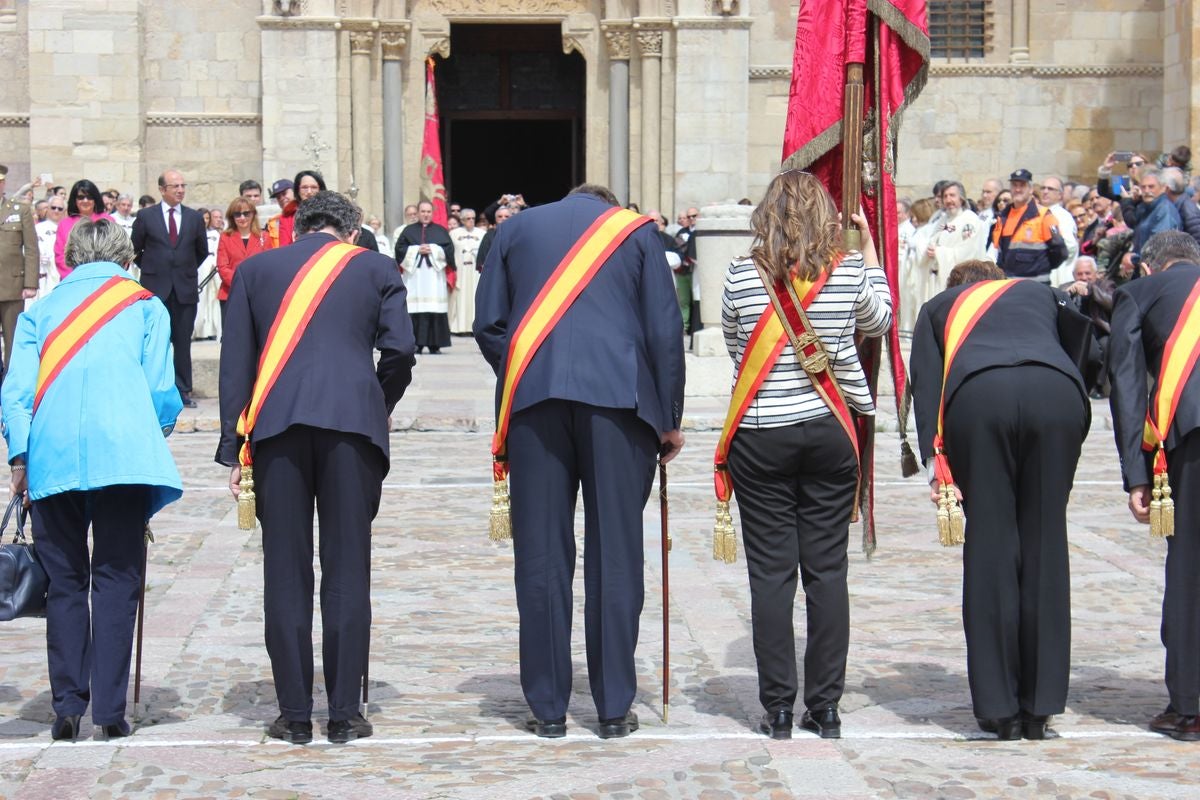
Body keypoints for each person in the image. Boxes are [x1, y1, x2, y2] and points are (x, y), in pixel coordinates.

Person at [473, 184, 685, 740]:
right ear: (608, 207)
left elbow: (490, 325)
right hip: (620, 402)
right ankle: (613, 706)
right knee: (616, 552)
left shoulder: (514, 229)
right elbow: (665, 329)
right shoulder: (636, 232)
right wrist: (669, 415)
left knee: (541, 555)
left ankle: (548, 707)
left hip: (535, 401)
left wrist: (524, 368)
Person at [217, 190, 415, 745]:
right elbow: (400, 351)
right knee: (347, 567)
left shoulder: (256, 271)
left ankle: (295, 714)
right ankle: (345, 713)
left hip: (276, 428)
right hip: (351, 427)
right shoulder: (374, 267)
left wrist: (234, 448)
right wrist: (376, 401)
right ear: (351, 232)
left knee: (285, 569)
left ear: (297, 227)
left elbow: (236, 365)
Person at [718, 170, 892, 741]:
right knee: (827, 571)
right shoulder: (848, 270)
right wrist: (868, 256)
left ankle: (778, 708)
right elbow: (880, 321)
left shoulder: (741, 274)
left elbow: (739, 350)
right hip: (827, 428)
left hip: (762, 431)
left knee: (771, 575)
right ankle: (827, 705)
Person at [1, 218, 183, 742]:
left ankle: (66, 707)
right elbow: (159, 389)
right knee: (116, 579)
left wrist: (19, 457)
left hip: (51, 454)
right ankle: (109, 709)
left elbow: (16, 393)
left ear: (70, 259)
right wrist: (155, 431)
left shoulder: (40, 312)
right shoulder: (145, 306)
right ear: (127, 259)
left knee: (64, 582)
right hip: (123, 455)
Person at [910, 258, 1089, 741]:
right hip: (1055, 393)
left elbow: (926, 386)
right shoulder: (1041, 293)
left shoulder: (939, 307)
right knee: (1045, 543)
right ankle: (1040, 705)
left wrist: (936, 465)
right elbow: (1082, 344)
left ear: (958, 289)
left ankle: (999, 708)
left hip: (979, 397)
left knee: (990, 548)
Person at [1108, 230, 1200, 741]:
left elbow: (1126, 385)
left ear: (1149, 267)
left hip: (1191, 438)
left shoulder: (1139, 293)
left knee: (1190, 567)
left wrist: (1137, 474)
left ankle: (1190, 705)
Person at [131, 170, 209, 408]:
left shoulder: (194, 218)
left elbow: (201, 251)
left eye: (183, 186)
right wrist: (155, 269)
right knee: (155, 342)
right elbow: (135, 249)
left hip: (184, 289)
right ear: (162, 189)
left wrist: (182, 269)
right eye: (175, 186)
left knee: (183, 342)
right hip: (156, 288)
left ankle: (183, 389)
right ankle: (153, 388)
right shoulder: (146, 216)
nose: (180, 190)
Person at [395, 200, 454, 354]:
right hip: (415, 276)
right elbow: (399, 249)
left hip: (434, 276)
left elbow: (449, 250)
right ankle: (415, 344)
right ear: (418, 212)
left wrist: (434, 249)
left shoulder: (441, 231)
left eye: (428, 211)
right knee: (415, 308)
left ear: (432, 213)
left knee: (435, 307)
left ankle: (435, 345)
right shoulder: (408, 231)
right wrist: (416, 250)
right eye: (423, 211)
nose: (426, 214)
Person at [991, 168, 1068, 282]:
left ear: (1031, 189)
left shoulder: (1043, 215)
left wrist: (1041, 267)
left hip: (1035, 285)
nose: (1018, 189)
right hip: (1009, 284)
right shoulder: (1003, 217)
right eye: (1014, 185)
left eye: (1022, 185)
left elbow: (1060, 252)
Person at [0, 165, 39, 372]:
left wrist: (30, 283)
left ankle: (11, 382)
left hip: (12, 285)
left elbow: (31, 248)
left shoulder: (19, 209)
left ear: (3, 184)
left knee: (13, 339)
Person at [216, 197, 271, 321]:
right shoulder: (225, 237)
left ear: (253, 214)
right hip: (230, 293)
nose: (242, 218)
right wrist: (240, 284)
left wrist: (253, 286)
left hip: (257, 294)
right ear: (232, 217)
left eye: (246, 213)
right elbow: (222, 267)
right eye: (237, 214)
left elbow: (268, 266)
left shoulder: (264, 237)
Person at [54, 179, 113, 280]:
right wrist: (77, 277)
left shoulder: (108, 221)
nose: (85, 201)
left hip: (103, 278)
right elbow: (60, 255)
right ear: (75, 200)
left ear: (95, 199)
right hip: (73, 279)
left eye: (89, 197)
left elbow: (115, 249)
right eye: (81, 197)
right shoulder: (64, 224)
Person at [448, 207, 484, 334]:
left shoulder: (481, 233)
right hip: (460, 270)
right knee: (460, 298)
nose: (471, 221)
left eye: (473, 218)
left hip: (475, 272)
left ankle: (474, 327)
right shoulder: (454, 234)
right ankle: (459, 327)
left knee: (474, 296)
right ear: (462, 220)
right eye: (468, 218)